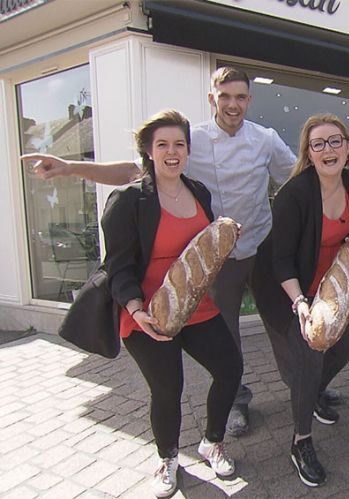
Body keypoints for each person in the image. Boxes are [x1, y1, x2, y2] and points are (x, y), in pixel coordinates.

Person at [22, 67, 309, 437]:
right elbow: (132, 171)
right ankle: (236, 402)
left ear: (249, 100)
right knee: (227, 333)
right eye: (225, 96)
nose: (233, 104)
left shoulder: (266, 139)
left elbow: (297, 175)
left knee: (284, 325)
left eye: (240, 97)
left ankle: (302, 389)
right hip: (215, 258)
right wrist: (70, 168)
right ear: (212, 99)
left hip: (259, 245)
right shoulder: (193, 139)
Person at [100, 109, 242, 497]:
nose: (172, 151)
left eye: (179, 144)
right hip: (146, 313)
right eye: (162, 144)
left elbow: (204, 250)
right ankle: (167, 458)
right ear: (148, 151)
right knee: (168, 388)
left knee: (230, 369)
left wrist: (224, 241)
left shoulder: (199, 192)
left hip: (195, 306)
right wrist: (134, 309)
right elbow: (118, 265)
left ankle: (212, 442)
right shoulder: (129, 200)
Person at [251, 114, 349, 487]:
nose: (328, 149)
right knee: (309, 355)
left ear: (348, 148)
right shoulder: (295, 194)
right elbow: (280, 261)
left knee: (347, 343)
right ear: (308, 153)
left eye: (335, 141)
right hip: (284, 287)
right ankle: (300, 441)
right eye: (318, 144)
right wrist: (300, 304)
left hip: (324, 287)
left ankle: (310, 395)